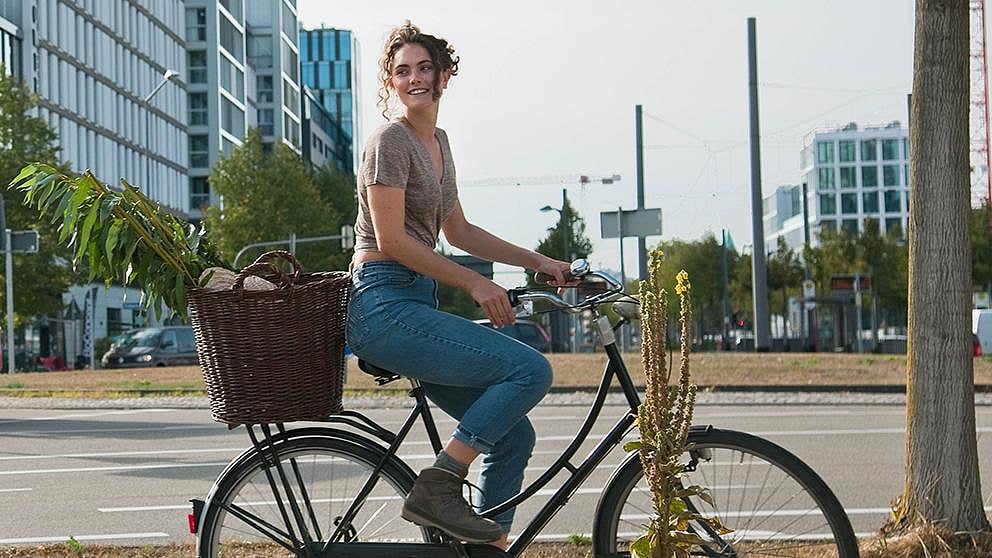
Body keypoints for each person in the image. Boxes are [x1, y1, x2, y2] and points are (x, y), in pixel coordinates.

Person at [345, 22, 572, 548]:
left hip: (412, 301)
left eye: (424, 68)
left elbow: (459, 230)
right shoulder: (390, 141)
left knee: (513, 436)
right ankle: (440, 486)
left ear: (445, 75)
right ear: (391, 82)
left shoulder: (437, 144)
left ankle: (483, 548)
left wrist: (542, 262)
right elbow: (393, 240)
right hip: (382, 304)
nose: (414, 78)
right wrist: (474, 284)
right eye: (402, 71)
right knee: (530, 369)